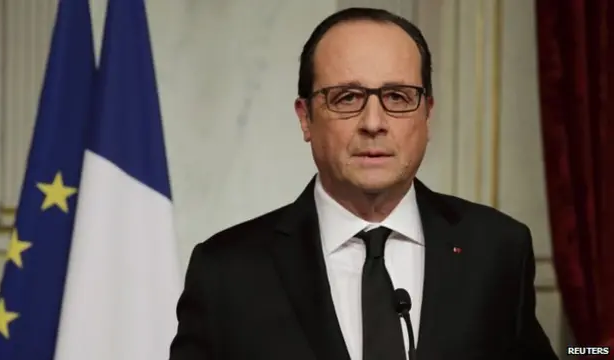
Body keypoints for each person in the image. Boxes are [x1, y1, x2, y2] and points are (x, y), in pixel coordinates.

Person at [169, 7, 559, 360]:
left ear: (427, 115)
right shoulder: (227, 271)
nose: (374, 122)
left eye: (398, 96)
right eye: (347, 97)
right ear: (306, 118)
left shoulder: (496, 250)